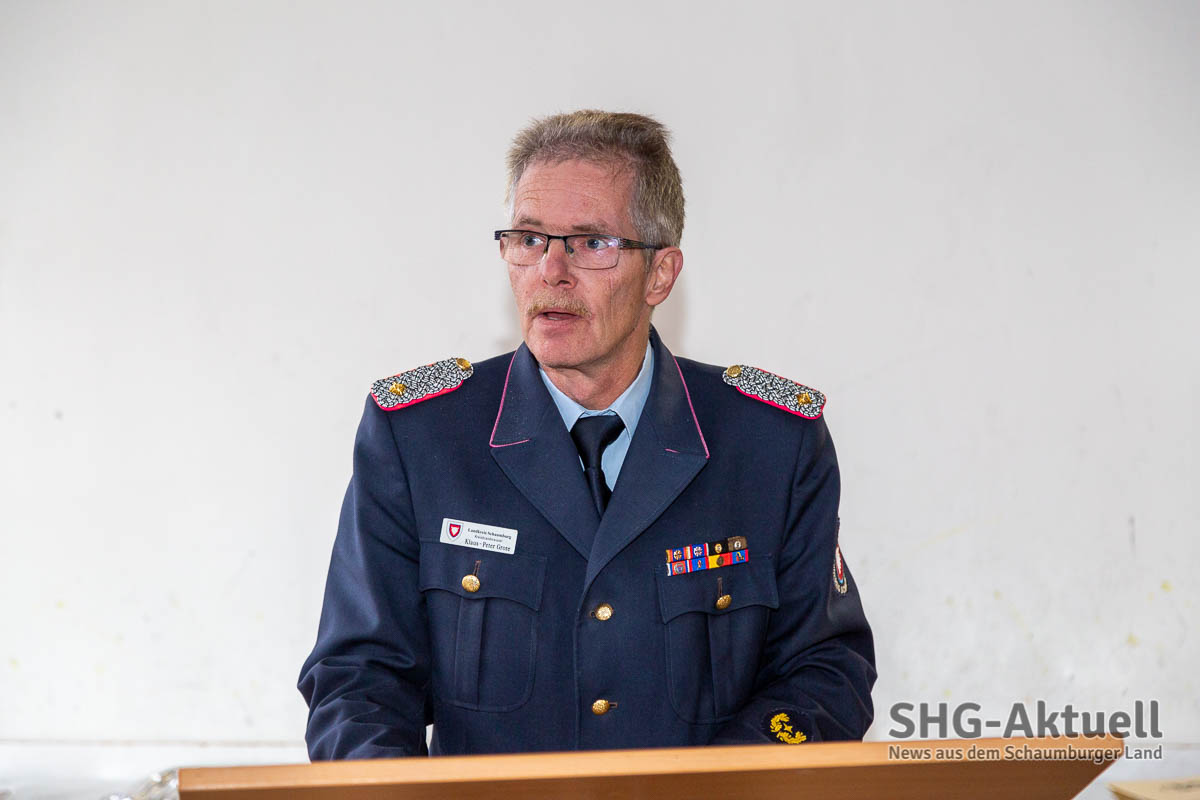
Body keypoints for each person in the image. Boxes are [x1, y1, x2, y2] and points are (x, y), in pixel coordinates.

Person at [298, 110, 875, 759]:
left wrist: (710, 789)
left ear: (660, 273)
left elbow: (826, 674)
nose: (551, 271)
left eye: (591, 242)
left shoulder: (771, 444)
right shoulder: (421, 437)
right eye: (529, 239)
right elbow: (358, 683)